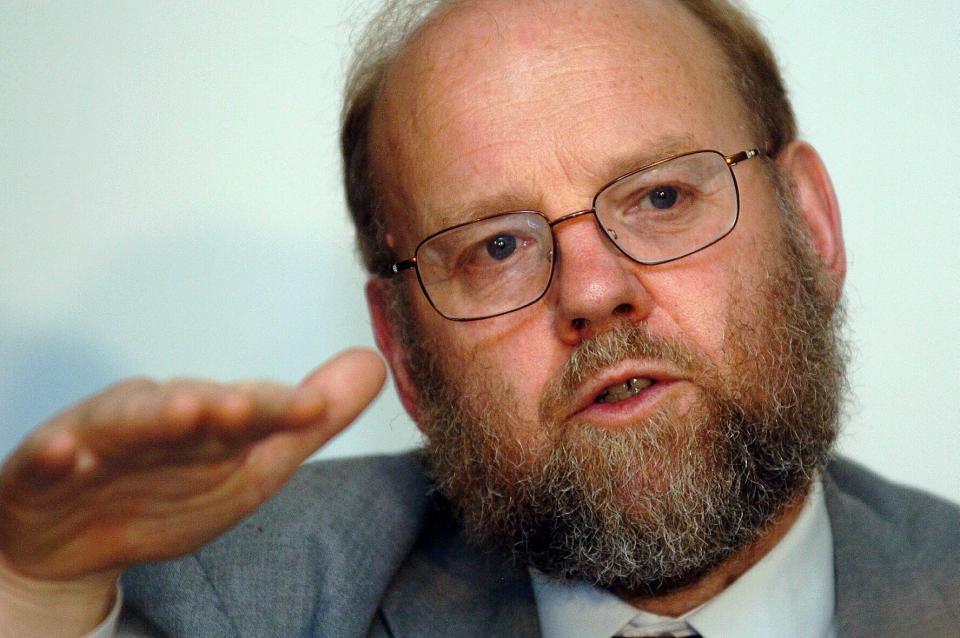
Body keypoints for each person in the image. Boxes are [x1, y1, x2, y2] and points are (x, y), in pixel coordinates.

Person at [1, 0, 957, 636]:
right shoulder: (250, 593)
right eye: (496, 248)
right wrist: (33, 591)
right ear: (406, 356)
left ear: (813, 226)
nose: (590, 291)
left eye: (662, 198)